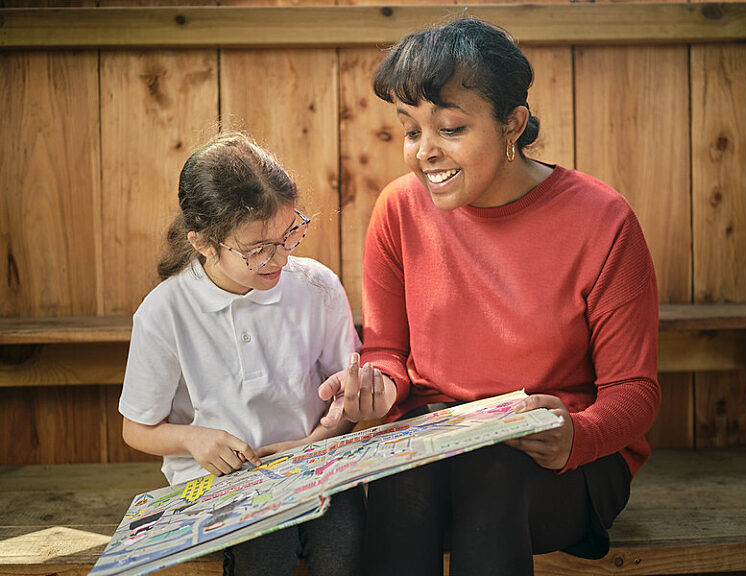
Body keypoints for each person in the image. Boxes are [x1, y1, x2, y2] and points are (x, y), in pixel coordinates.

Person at [318, 17, 661, 576]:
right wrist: (378, 387)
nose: (423, 152)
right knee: (400, 479)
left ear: (512, 125)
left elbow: (635, 391)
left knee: (492, 474)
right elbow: (387, 351)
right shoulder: (399, 210)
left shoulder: (603, 221)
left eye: (450, 129)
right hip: (433, 445)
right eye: (411, 130)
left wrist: (578, 433)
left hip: (563, 459)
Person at [119, 132, 365, 576]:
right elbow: (136, 428)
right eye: (257, 250)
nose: (280, 260)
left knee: (346, 546)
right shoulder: (165, 312)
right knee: (265, 552)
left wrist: (319, 439)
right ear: (203, 243)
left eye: (290, 234)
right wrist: (194, 439)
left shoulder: (317, 287)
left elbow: (344, 396)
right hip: (224, 483)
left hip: (315, 460)